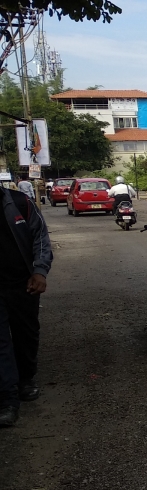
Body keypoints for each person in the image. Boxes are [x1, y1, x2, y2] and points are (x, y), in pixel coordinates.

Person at [0, 183, 52, 427]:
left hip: (23, 282)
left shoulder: (19, 202)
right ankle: (8, 400)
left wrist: (40, 271)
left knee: (26, 334)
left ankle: (26, 378)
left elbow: (40, 237)